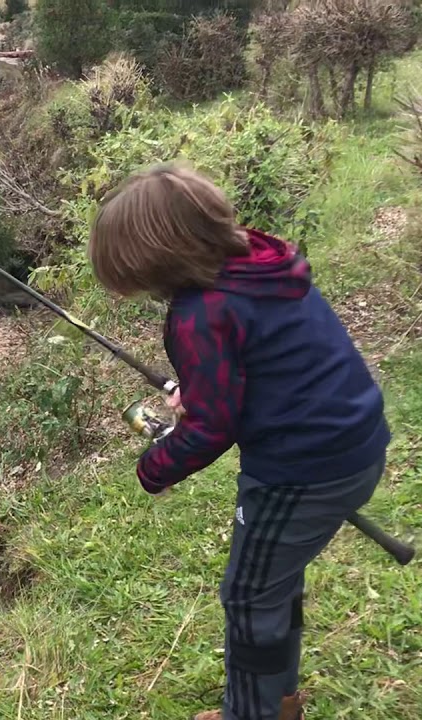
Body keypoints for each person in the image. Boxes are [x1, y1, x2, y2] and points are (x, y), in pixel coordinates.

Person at [88, 165, 390, 720]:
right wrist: (201, 393)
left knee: (249, 598)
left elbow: (211, 429)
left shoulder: (199, 313)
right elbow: (262, 367)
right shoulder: (262, 262)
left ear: (153, 258)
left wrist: (154, 467)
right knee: (274, 585)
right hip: (356, 443)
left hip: (299, 473)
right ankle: (279, 703)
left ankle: (250, 714)